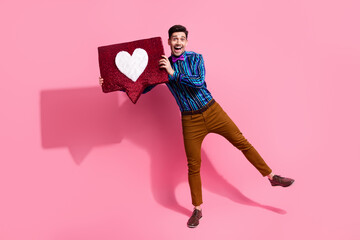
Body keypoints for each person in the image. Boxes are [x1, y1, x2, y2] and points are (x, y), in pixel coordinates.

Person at [99, 24, 294, 228]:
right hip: (190, 120)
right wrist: (112, 83)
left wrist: (173, 74)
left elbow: (199, 81)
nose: (178, 42)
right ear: (168, 42)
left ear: (186, 41)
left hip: (212, 111)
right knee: (193, 166)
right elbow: (142, 88)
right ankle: (198, 210)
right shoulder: (162, 65)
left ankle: (272, 177)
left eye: (181, 38)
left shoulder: (195, 58)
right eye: (174, 38)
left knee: (242, 142)